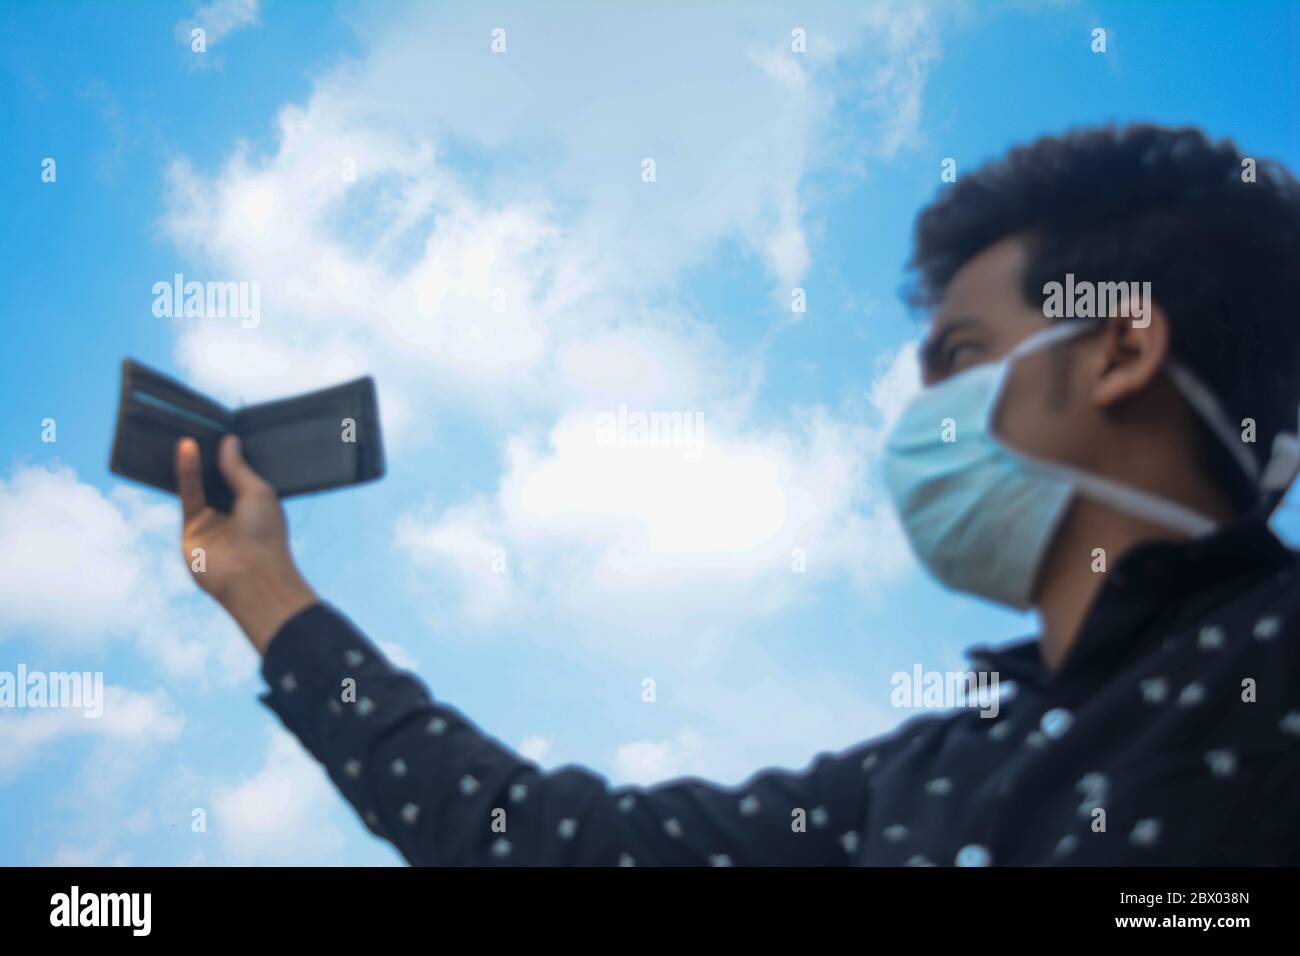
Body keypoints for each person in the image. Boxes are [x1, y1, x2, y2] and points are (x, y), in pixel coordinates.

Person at [176, 124, 1300, 866]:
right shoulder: (912, 781)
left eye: (960, 354)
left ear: (1119, 347)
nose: (922, 415)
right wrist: (265, 587)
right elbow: (543, 843)